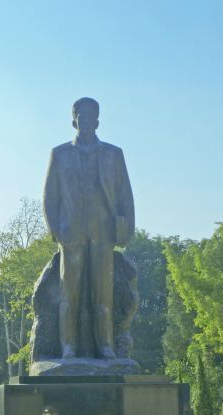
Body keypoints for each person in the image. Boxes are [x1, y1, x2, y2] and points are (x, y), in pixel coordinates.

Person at [43, 97, 135, 359]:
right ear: (74, 122)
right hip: (70, 232)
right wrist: (56, 231)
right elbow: (50, 196)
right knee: (68, 294)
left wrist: (126, 228)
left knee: (102, 295)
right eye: (81, 117)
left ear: (97, 121)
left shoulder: (113, 154)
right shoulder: (60, 154)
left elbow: (125, 194)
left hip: (103, 232)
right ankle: (68, 347)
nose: (86, 122)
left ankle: (105, 346)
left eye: (90, 117)